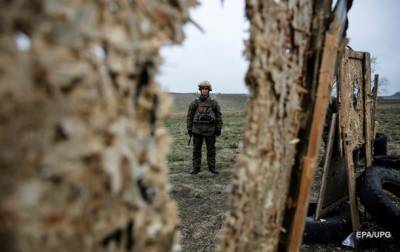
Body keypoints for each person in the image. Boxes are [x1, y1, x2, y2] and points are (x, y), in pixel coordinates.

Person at [186, 81, 223, 175]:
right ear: (200, 90)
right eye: (203, 89)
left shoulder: (214, 103)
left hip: (210, 130)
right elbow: (190, 116)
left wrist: (218, 128)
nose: (204, 91)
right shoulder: (195, 102)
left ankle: (212, 167)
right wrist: (189, 128)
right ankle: (196, 168)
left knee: (211, 150)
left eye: (206, 89)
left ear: (209, 90)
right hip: (197, 130)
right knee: (196, 151)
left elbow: (218, 116)